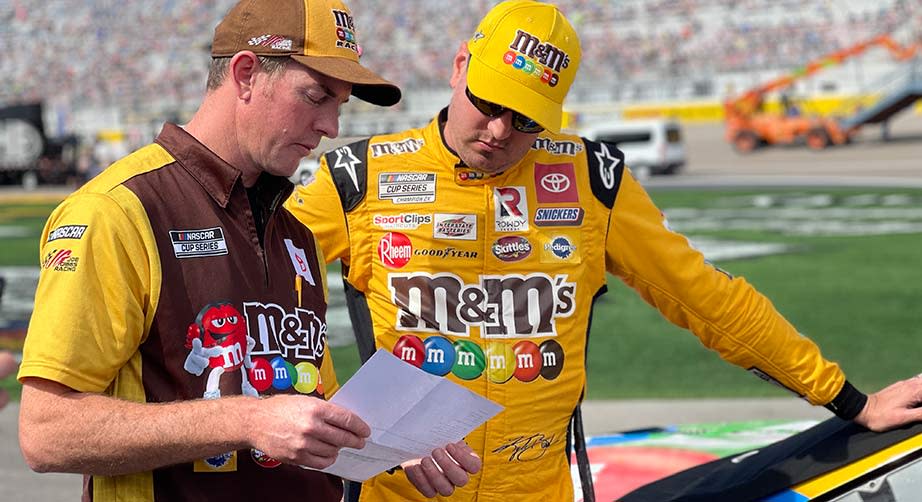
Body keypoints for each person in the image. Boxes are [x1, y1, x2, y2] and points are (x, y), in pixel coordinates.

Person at [285, 1, 922, 501]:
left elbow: (707, 299)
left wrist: (848, 399)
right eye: (488, 102)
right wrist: (359, 431)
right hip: (394, 492)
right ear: (459, 67)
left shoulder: (592, 181)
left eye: (528, 118)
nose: (502, 131)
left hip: (540, 492)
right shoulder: (360, 178)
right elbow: (252, 288)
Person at [17, 1, 479, 501]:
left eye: (339, 105)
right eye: (317, 96)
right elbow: (46, 432)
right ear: (245, 75)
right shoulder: (118, 211)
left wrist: (387, 446)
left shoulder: (296, 232)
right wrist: (244, 419)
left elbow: (300, 406)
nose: (332, 127)